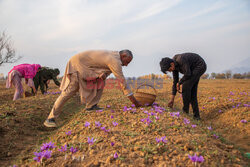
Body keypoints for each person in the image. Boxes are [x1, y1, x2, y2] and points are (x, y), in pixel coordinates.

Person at [44, 50, 141, 127]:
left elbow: (101, 66)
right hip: (77, 66)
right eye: (127, 62)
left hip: (87, 67)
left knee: (101, 81)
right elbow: (122, 81)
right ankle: (50, 118)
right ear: (123, 56)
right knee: (68, 92)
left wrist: (102, 74)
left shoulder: (114, 55)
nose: (126, 65)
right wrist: (136, 103)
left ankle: (91, 106)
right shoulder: (114, 60)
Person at [160, 53, 207, 120]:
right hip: (192, 70)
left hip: (199, 66)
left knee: (185, 86)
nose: (170, 71)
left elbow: (187, 74)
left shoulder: (181, 59)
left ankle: (185, 112)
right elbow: (175, 82)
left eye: (169, 69)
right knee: (192, 92)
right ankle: (196, 116)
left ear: (171, 64)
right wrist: (172, 99)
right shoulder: (174, 66)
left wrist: (180, 83)